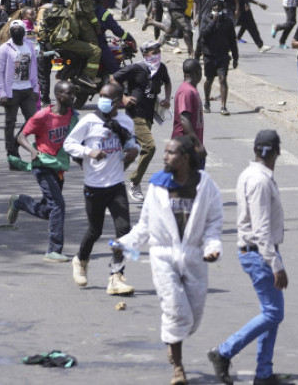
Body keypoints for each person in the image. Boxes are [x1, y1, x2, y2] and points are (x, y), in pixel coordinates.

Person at [117, 135, 223, 385]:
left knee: (192, 318)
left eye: (171, 153)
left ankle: (173, 342)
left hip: (195, 256)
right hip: (163, 256)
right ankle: (178, 368)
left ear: (185, 157)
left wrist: (213, 246)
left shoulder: (205, 184)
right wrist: (125, 244)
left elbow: (214, 221)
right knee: (175, 311)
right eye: (165, 152)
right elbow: (144, 225)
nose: (165, 157)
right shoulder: (157, 185)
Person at [208, 130, 287, 385]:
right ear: (276, 152)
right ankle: (224, 351)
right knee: (273, 313)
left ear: (255, 150)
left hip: (258, 251)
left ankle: (264, 372)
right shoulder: (260, 181)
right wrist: (276, 264)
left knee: (271, 312)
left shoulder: (250, 174)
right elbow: (261, 230)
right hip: (259, 253)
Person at [62, 83, 139, 295]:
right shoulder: (89, 121)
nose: (102, 100)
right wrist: (89, 152)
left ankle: (116, 277)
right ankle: (80, 260)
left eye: (107, 97)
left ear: (118, 101)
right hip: (94, 186)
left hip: (116, 185)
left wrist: (133, 151)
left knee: (124, 231)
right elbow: (69, 144)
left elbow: (133, 144)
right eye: (101, 96)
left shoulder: (125, 121)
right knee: (94, 230)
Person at [9, 81, 78, 262]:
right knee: (58, 205)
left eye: (73, 94)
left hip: (59, 167)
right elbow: (21, 136)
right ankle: (53, 250)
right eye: (69, 94)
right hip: (42, 165)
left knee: (49, 210)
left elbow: (77, 141)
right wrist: (32, 150)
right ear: (58, 95)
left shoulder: (73, 116)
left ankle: (21, 202)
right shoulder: (43, 116)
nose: (72, 97)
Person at [113, 40, 171, 202]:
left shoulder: (161, 68)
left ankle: (114, 174)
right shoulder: (136, 68)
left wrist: (167, 98)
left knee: (135, 148)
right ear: (145, 54)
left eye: (159, 51)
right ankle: (135, 182)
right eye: (154, 52)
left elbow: (167, 82)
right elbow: (113, 80)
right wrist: (123, 97)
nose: (157, 54)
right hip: (135, 114)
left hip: (149, 114)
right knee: (149, 147)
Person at [0, 19, 39, 164]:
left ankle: (16, 142)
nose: (17, 33)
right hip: (11, 91)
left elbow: (34, 68)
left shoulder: (29, 45)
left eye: (19, 30)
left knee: (33, 120)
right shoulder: (4, 48)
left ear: (24, 31)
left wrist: (35, 88)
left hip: (27, 89)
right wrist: (2, 93)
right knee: (10, 122)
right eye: (14, 31)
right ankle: (12, 153)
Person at [200, 0, 239, 116]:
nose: (216, 8)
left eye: (219, 6)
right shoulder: (206, 18)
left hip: (223, 55)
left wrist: (235, 57)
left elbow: (232, 40)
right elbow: (203, 34)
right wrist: (213, 21)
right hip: (209, 55)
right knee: (209, 79)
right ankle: (206, 102)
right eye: (214, 5)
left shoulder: (228, 21)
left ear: (222, 7)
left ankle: (223, 106)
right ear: (211, 6)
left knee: (223, 79)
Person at [172, 58, 205, 165]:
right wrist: (197, 144)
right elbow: (184, 119)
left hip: (190, 146)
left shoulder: (191, 90)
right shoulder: (186, 91)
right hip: (185, 147)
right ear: (198, 73)